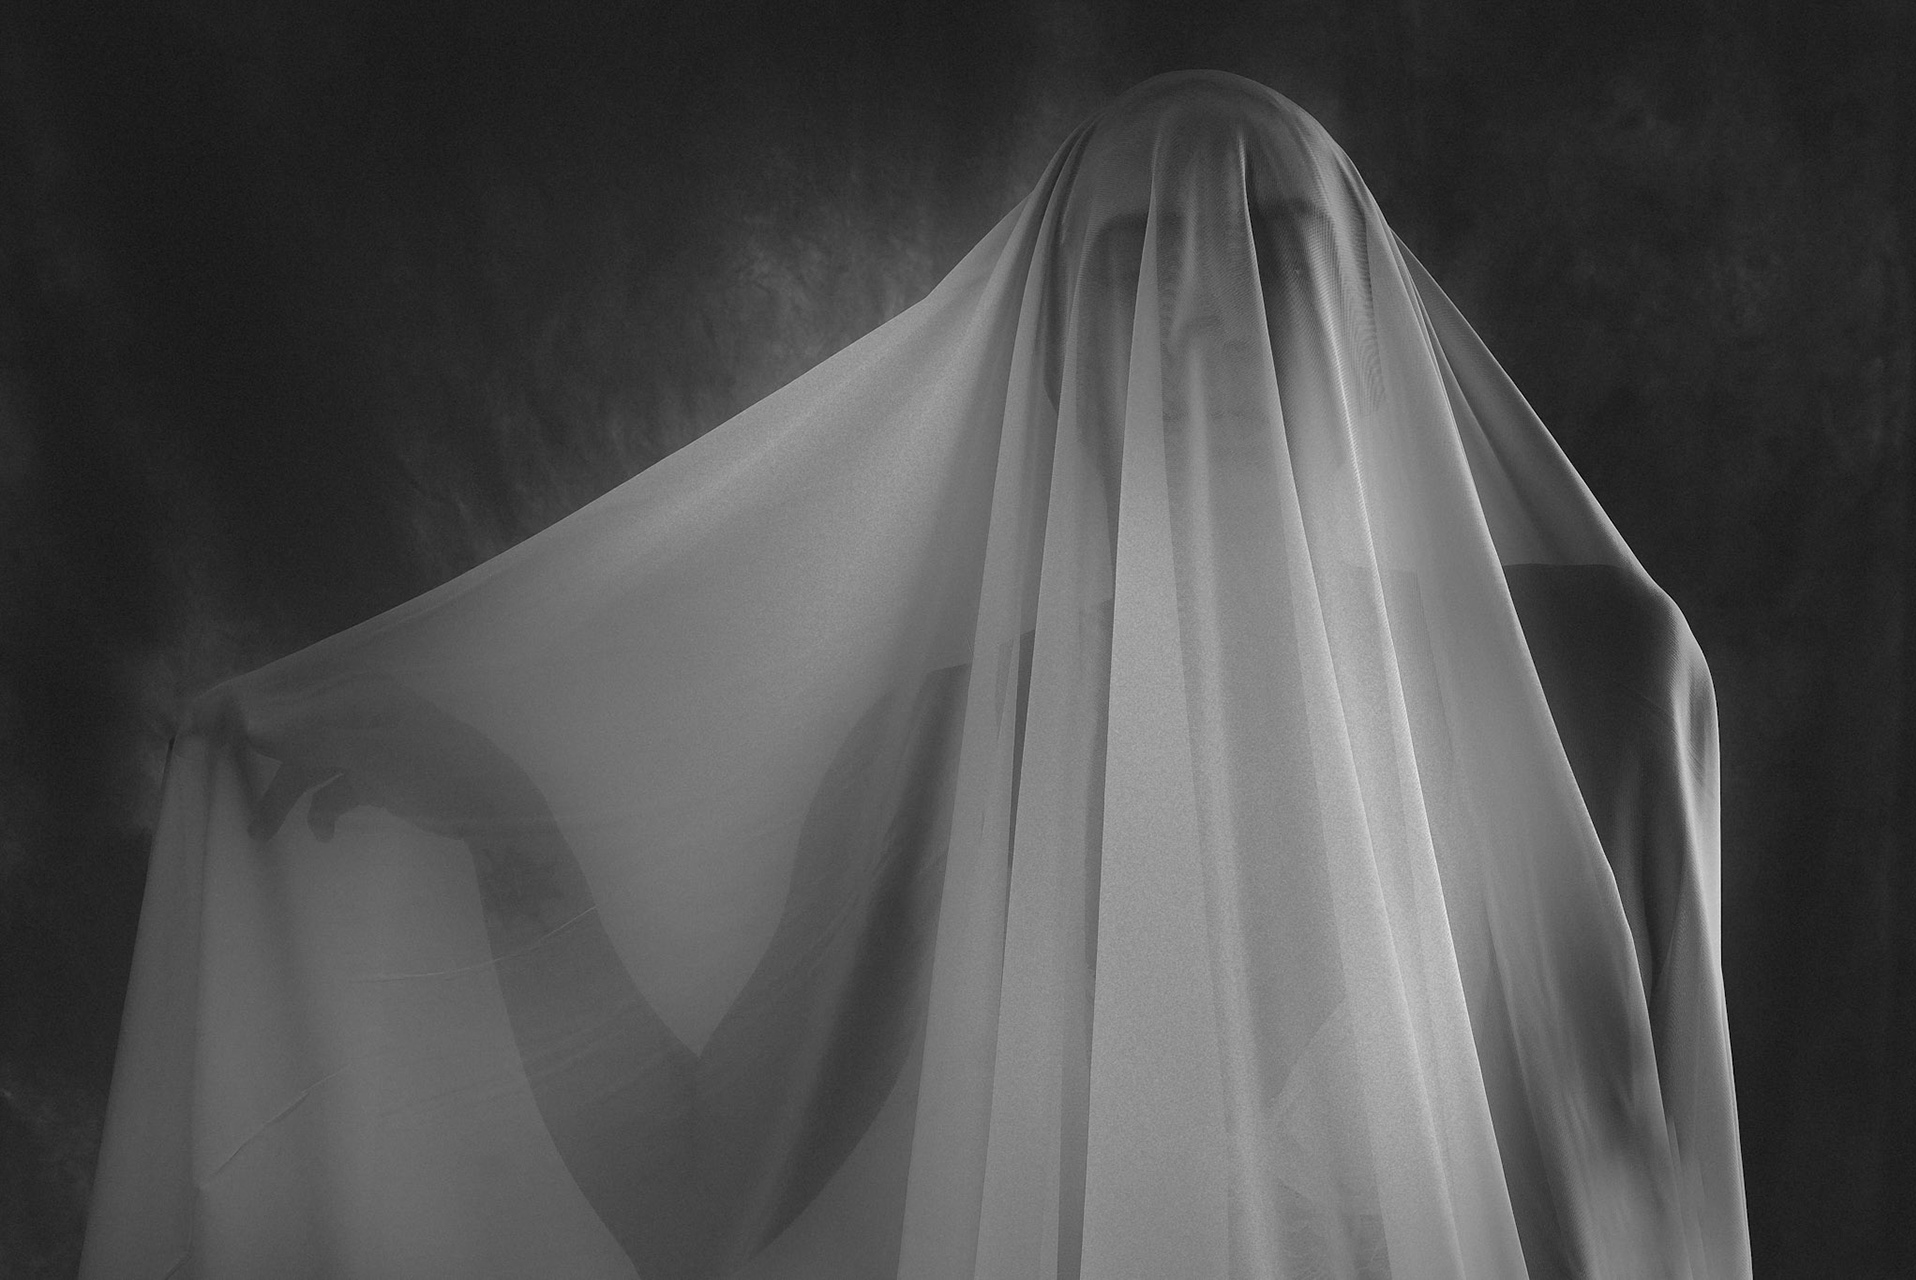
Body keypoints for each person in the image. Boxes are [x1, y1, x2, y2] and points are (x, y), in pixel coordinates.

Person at [80, 70, 1750, 1279]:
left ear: (1371, 335)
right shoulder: (960, 740)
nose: (1204, 314)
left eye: (1266, 252)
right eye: (1132, 274)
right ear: (1058, 374)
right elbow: (701, 1190)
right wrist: (507, 836)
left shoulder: (1594, 679)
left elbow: (1667, 1188)